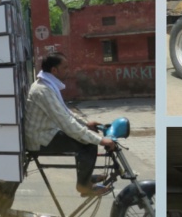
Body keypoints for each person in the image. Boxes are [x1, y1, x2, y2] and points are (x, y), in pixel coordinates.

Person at [24, 53, 116, 197]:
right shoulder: (43, 90)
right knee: (88, 143)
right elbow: (66, 122)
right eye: (65, 67)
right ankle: (84, 186)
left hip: (46, 133)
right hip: (39, 140)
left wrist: (86, 123)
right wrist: (100, 140)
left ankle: (85, 178)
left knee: (85, 138)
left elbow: (65, 112)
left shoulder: (47, 85)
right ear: (54, 70)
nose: (68, 70)